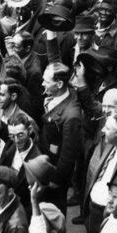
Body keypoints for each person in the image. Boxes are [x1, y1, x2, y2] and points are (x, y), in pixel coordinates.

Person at [39, 63, 84, 218]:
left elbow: (68, 154)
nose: (43, 84)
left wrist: (57, 179)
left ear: (59, 84)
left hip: (55, 171)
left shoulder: (71, 116)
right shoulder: (62, 94)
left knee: (54, 212)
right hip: (46, 162)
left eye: (46, 81)